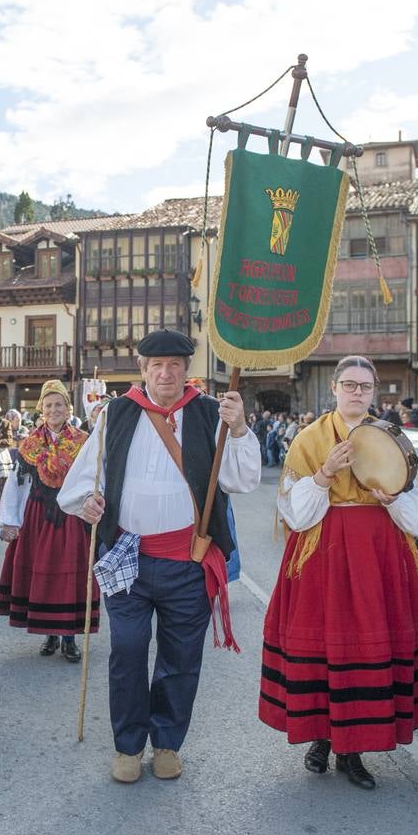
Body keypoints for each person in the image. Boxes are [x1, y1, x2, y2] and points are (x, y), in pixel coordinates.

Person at [58, 329, 259, 784]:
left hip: (188, 563)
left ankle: (167, 742)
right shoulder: (117, 413)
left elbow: (242, 481)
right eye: (156, 366)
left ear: (187, 370)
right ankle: (128, 746)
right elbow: (83, 481)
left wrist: (241, 428)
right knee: (127, 651)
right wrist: (85, 503)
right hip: (127, 558)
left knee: (181, 657)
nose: (165, 373)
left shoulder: (211, 413)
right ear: (143, 370)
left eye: (174, 365)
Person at [259, 355, 418, 791]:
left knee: (363, 651)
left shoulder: (393, 440)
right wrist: (325, 474)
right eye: (349, 385)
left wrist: (391, 499)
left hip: (378, 556)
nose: (357, 392)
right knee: (326, 648)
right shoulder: (309, 439)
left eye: (365, 386)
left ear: (375, 392)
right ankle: (322, 738)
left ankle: (352, 749)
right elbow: (293, 512)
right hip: (321, 555)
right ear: (335, 389)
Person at [0, 380, 96, 663]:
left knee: (68, 573)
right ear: (41, 409)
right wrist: (10, 520)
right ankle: (49, 633)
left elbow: (92, 476)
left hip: (71, 513)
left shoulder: (82, 441)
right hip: (38, 514)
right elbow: (16, 484)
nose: (54, 410)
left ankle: (70, 637)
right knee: (42, 572)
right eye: (49, 405)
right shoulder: (29, 444)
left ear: (68, 408)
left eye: (59, 405)